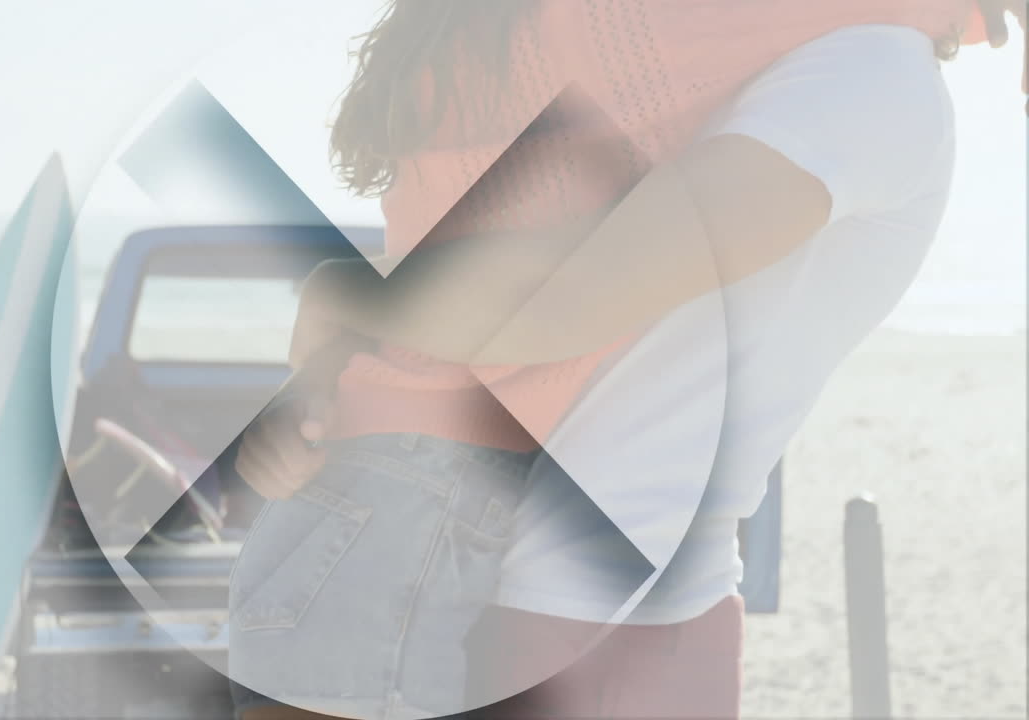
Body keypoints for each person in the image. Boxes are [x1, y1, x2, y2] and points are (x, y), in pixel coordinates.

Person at [227, 2, 1020, 718]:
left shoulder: (868, 73)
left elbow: (558, 299)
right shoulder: (740, 53)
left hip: (598, 614)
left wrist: (352, 305)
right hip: (499, 564)